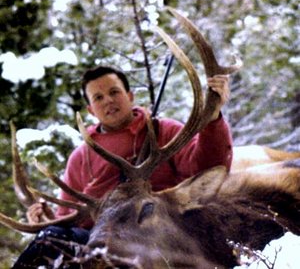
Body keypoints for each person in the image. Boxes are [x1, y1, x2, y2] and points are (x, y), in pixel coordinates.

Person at [12, 65, 233, 268]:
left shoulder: (163, 131)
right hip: (103, 241)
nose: (108, 100)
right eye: (98, 97)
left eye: (114, 92)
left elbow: (208, 167)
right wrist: (48, 219)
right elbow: (69, 218)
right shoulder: (80, 158)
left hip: (158, 233)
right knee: (50, 238)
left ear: (130, 96)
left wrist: (213, 121)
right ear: (90, 110)